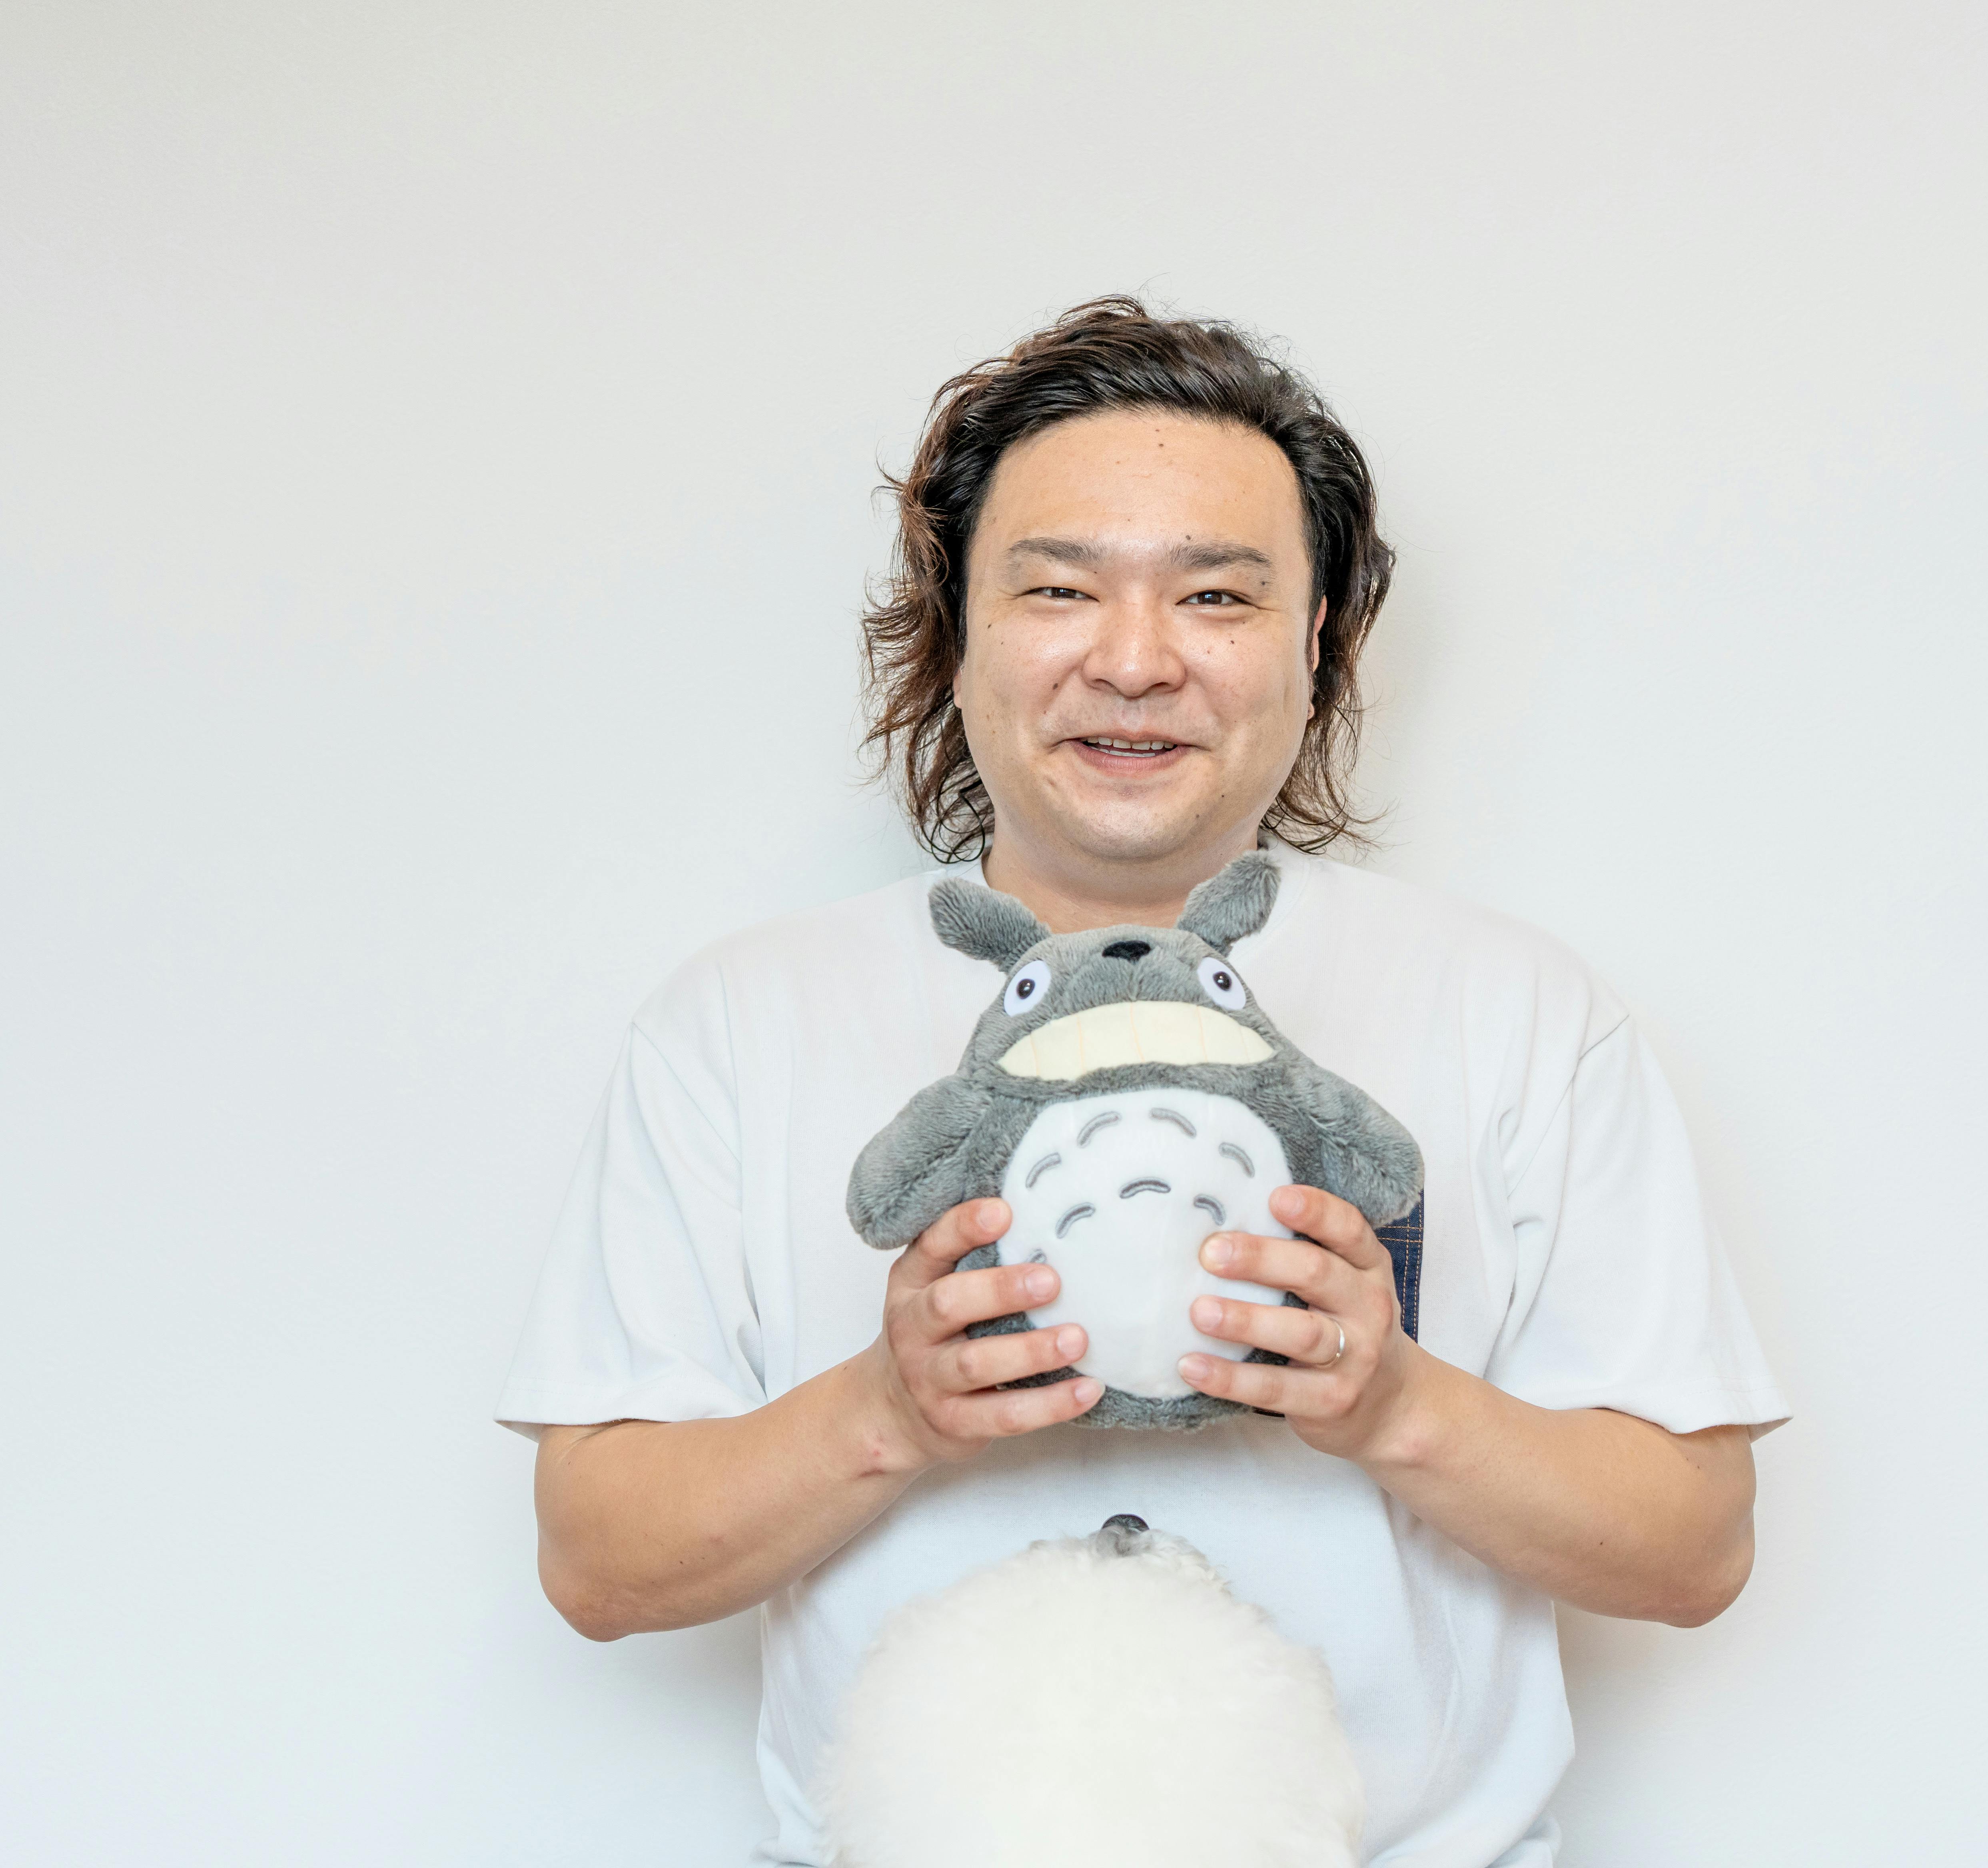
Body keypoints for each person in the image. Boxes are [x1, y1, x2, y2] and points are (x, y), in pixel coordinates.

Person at [498, 296, 1789, 1867]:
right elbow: (597, 1560)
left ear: (1317, 640)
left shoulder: (1517, 1010)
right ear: (957, 626)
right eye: (1058, 587)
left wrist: (1393, 1403)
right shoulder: (737, 1024)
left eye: (1217, 595)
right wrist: (887, 1410)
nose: (1134, 660)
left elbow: (1695, 1546)